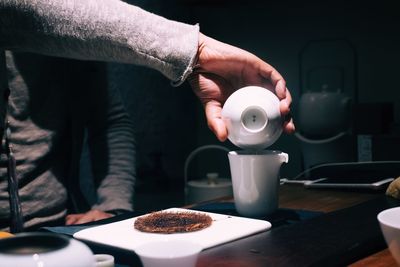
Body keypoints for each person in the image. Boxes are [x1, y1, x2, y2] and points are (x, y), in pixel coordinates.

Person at [0, 0, 294, 232]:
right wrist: (195, 49)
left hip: (58, 226)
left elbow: (110, 122)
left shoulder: (71, 50)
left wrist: (113, 205)